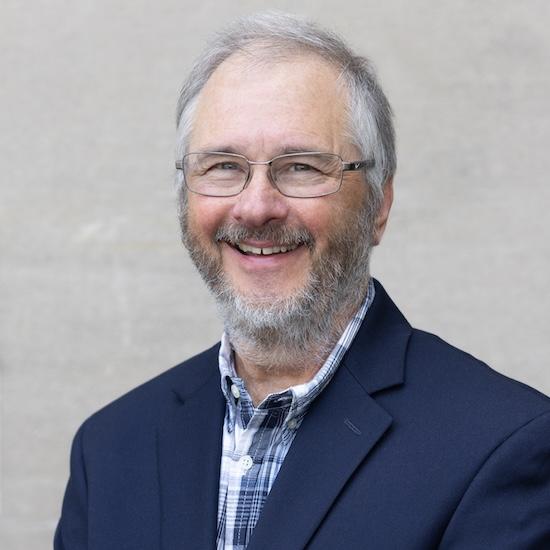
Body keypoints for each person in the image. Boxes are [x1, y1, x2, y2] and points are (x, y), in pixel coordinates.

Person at [55, 12, 550, 550]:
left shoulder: (501, 444)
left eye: (301, 167)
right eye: (222, 165)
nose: (256, 206)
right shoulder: (109, 450)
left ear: (379, 204)